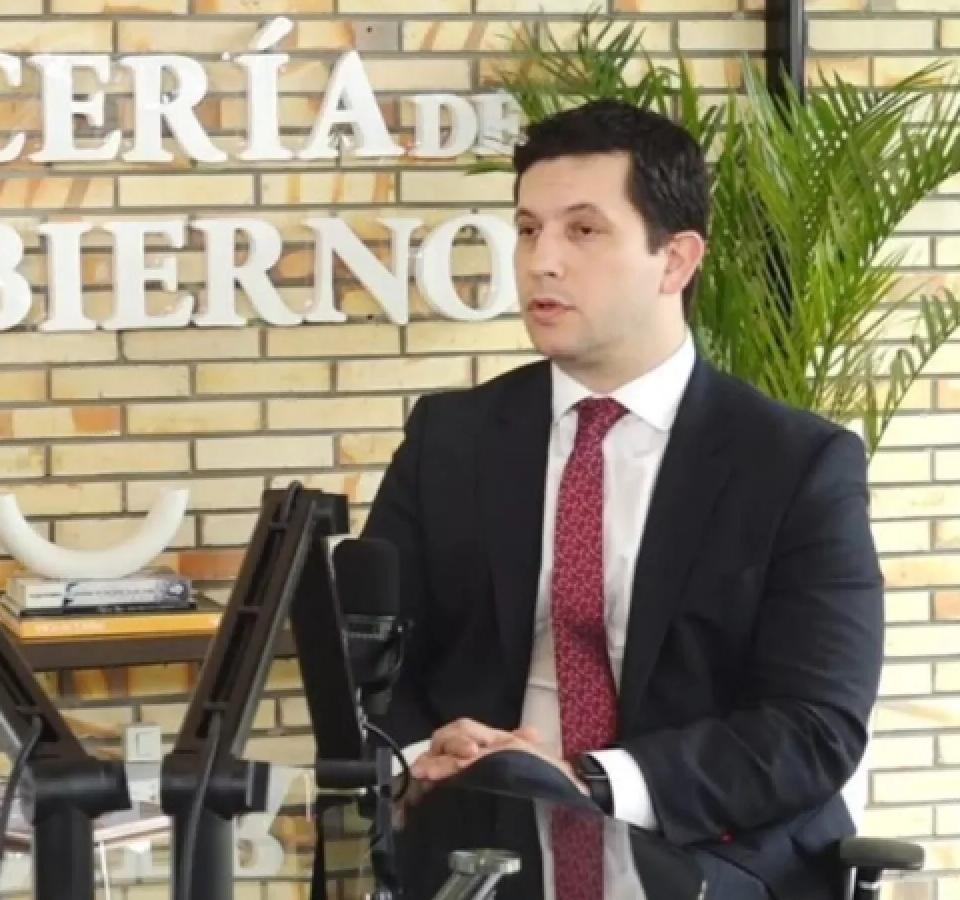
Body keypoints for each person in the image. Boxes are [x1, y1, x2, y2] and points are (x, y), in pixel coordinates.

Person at [364, 99, 885, 900]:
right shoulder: (451, 439)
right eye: (528, 229)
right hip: (481, 832)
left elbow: (813, 727)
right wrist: (418, 761)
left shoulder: (795, 464)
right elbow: (369, 662)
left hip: (705, 845)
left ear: (675, 260)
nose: (541, 262)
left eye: (583, 230)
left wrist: (587, 782)